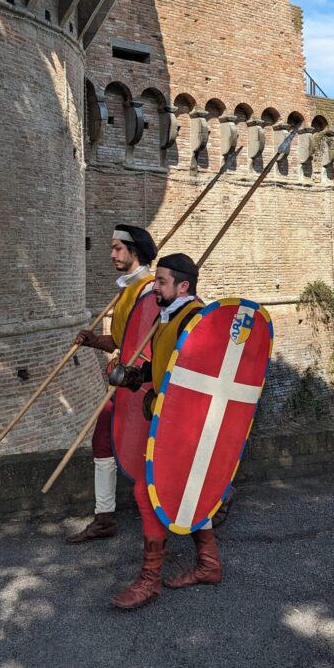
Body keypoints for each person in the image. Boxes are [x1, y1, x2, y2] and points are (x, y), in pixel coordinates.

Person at [108, 253, 216, 610]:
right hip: (169, 419)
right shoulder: (170, 316)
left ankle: (150, 579)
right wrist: (138, 376)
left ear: (183, 286)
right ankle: (209, 563)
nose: (154, 286)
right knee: (189, 490)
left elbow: (200, 378)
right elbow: (164, 365)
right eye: (155, 281)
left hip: (185, 426)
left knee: (146, 489)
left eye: (161, 282)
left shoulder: (197, 320)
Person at [66, 224, 158, 543]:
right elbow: (121, 340)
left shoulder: (149, 290)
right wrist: (93, 341)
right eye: (112, 247)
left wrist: (133, 374)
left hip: (143, 385)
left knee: (157, 449)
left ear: (135, 252)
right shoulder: (128, 290)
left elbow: (151, 346)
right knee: (103, 442)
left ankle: (214, 495)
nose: (112, 254)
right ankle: (104, 518)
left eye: (118, 248)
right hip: (122, 380)